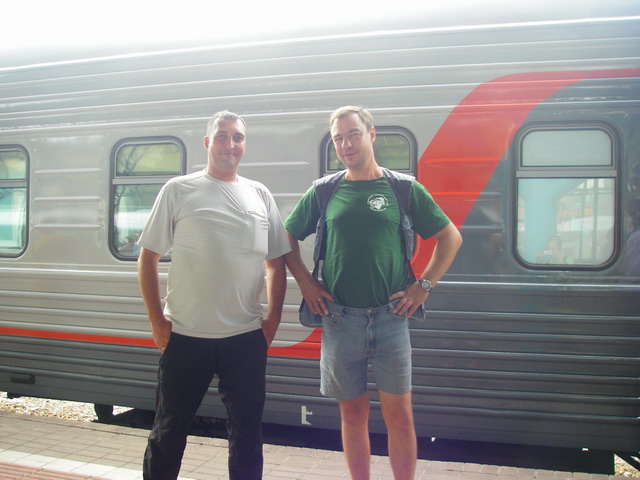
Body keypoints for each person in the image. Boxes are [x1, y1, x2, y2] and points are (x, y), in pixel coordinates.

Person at [284, 106, 462, 480]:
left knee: (400, 416)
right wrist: (305, 281)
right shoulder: (324, 190)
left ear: (371, 134)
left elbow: (450, 238)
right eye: (338, 138)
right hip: (339, 319)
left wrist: (423, 287)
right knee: (353, 415)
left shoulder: (403, 188)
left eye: (353, 134)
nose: (346, 144)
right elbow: (286, 237)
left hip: (390, 318)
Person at [137, 110, 291, 480]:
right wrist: (157, 321)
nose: (230, 144)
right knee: (168, 433)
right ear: (207, 142)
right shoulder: (178, 190)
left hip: (245, 338)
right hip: (186, 336)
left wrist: (271, 321)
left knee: (247, 436)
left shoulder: (260, 194)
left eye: (237, 137)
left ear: (244, 144)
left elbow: (276, 264)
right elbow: (148, 258)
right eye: (222, 136)